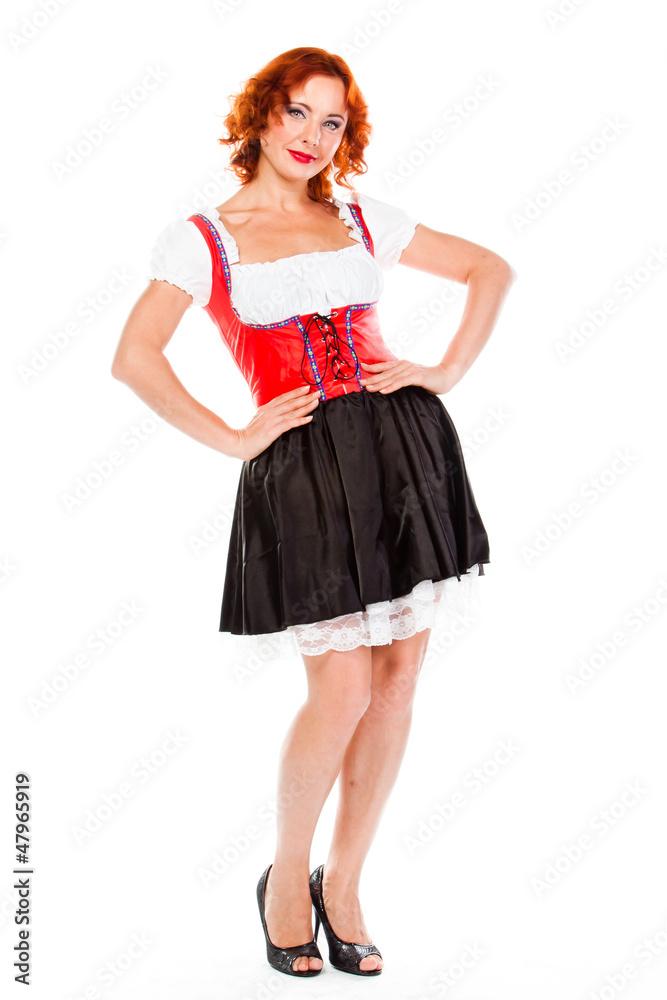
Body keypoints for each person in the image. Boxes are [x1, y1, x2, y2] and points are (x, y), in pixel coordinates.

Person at [112, 46, 516, 979]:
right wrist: (231, 435)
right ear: (260, 115)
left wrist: (443, 372)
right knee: (338, 688)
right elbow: (135, 356)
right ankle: (286, 878)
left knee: (399, 679)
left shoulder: (361, 216)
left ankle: (348, 882)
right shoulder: (204, 238)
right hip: (300, 468)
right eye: (296, 113)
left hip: (400, 455)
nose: (310, 136)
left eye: (330, 122)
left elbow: (489, 269)